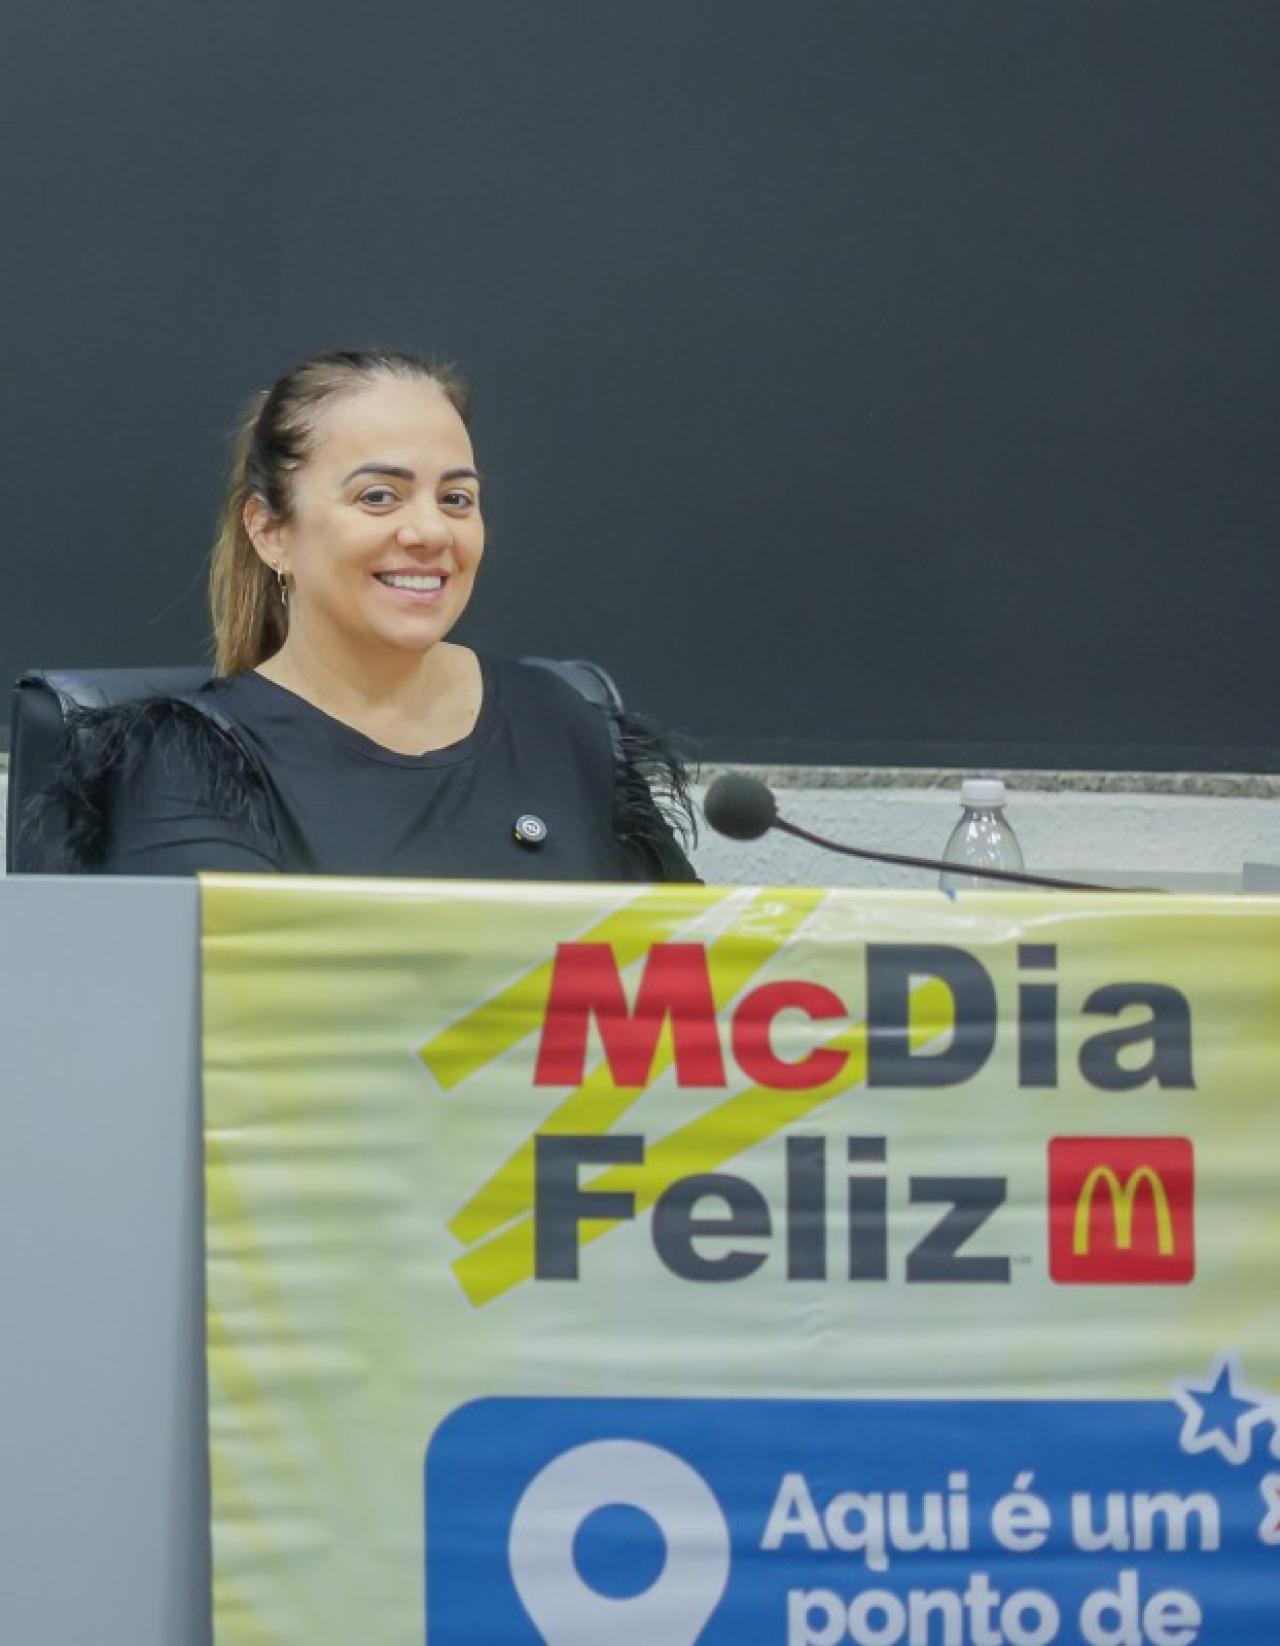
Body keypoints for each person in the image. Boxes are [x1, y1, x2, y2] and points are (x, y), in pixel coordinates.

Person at [30, 348, 697, 881]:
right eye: (379, 497)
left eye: (457, 499)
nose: (430, 531)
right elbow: (231, 1000)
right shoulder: (191, 762)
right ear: (270, 532)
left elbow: (690, 976)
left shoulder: (562, 721)